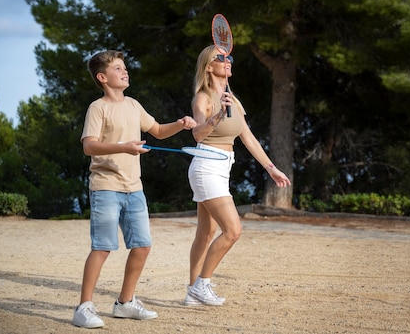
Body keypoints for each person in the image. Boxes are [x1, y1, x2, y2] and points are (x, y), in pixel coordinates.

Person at [73, 50, 197, 328]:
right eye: (118, 68)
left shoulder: (133, 104)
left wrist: (180, 124)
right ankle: (83, 307)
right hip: (106, 186)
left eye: (125, 67)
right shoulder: (98, 108)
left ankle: (125, 303)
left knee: (142, 246)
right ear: (102, 77)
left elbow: (157, 130)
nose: (125, 71)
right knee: (103, 248)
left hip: (134, 188)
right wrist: (125, 147)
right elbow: (89, 146)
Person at [184, 45, 291, 306]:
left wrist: (271, 168)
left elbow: (249, 139)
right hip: (206, 165)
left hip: (223, 168)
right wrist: (218, 115)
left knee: (206, 232)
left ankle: (192, 291)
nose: (228, 60)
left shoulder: (234, 99)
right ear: (209, 67)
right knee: (232, 230)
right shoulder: (204, 99)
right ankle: (202, 284)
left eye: (229, 56)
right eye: (221, 58)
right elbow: (197, 134)